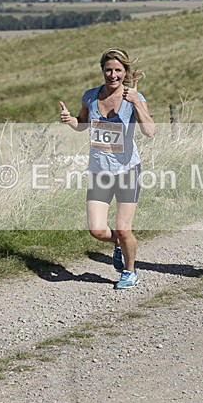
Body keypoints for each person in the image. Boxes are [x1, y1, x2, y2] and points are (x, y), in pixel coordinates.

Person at [59, 48, 155, 289]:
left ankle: (130, 271)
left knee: (124, 229)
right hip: (99, 171)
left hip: (127, 170)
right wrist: (71, 120)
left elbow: (149, 132)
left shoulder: (134, 97)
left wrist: (137, 104)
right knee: (97, 230)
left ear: (125, 72)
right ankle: (120, 244)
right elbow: (82, 124)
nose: (113, 75)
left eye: (118, 70)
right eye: (108, 70)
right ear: (102, 70)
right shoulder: (90, 97)